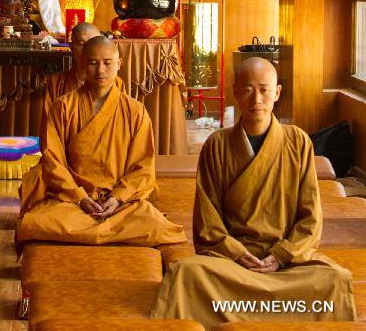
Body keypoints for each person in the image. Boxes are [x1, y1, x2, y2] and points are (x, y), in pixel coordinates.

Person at [151, 57, 356, 324]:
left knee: (334, 279)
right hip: (234, 261)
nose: (256, 98)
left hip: (286, 261)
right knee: (186, 273)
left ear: (277, 93)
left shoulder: (298, 142)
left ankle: (240, 310)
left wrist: (280, 256)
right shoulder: (217, 145)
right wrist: (238, 254)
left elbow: (310, 217)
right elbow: (208, 220)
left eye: (264, 89)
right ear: (235, 91)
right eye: (247, 89)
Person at [16, 35, 186, 246]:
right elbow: (52, 160)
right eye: (93, 63)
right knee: (38, 222)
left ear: (118, 64)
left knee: (158, 225)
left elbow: (144, 167)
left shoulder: (135, 111)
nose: (100, 70)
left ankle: (94, 229)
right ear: (81, 65)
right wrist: (80, 197)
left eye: (107, 63)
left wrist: (117, 197)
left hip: (119, 204)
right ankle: (108, 231)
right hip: (72, 202)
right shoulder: (63, 107)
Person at [18, 22, 125, 216]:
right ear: (72, 47)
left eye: (92, 42)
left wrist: (117, 194)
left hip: (109, 173)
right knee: (36, 182)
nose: (87, 49)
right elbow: (50, 144)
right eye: (80, 44)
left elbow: (124, 143)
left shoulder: (119, 88)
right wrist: (76, 192)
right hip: (66, 171)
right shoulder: (58, 87)